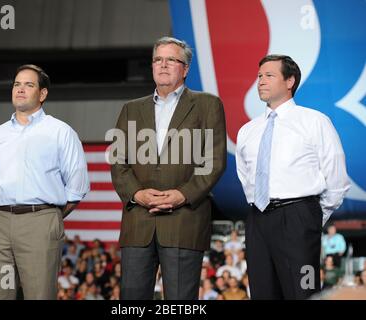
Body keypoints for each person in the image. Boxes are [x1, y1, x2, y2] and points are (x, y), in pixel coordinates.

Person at [110, 36, 227, 299]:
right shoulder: (131, 109)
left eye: (171, 60)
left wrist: (182, 194)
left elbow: (214, 160)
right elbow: (118, 161)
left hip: (184, 220)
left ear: (185, 69)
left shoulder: (208, 104)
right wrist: (137, 194)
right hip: (139, 221)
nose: (163, 65)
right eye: (157, 59)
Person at [236, 54, 350, 299]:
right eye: (259, 76)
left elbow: (337, 179)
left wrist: (310, 218)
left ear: (290, 81)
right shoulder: (248, 130)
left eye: (269, 75)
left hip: (299, 218)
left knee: (304, 292)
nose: (261, 81)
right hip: (258, 220)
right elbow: (246, 177)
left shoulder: (315, 122)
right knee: (262, 293)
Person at [0, 64, 89, 299]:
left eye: (28, 84)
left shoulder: (60, 132)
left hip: (40, 222)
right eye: (17, 84)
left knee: (39, 295)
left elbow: (77, 187)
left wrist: (50, 217)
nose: (20, 89)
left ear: (42, 94)